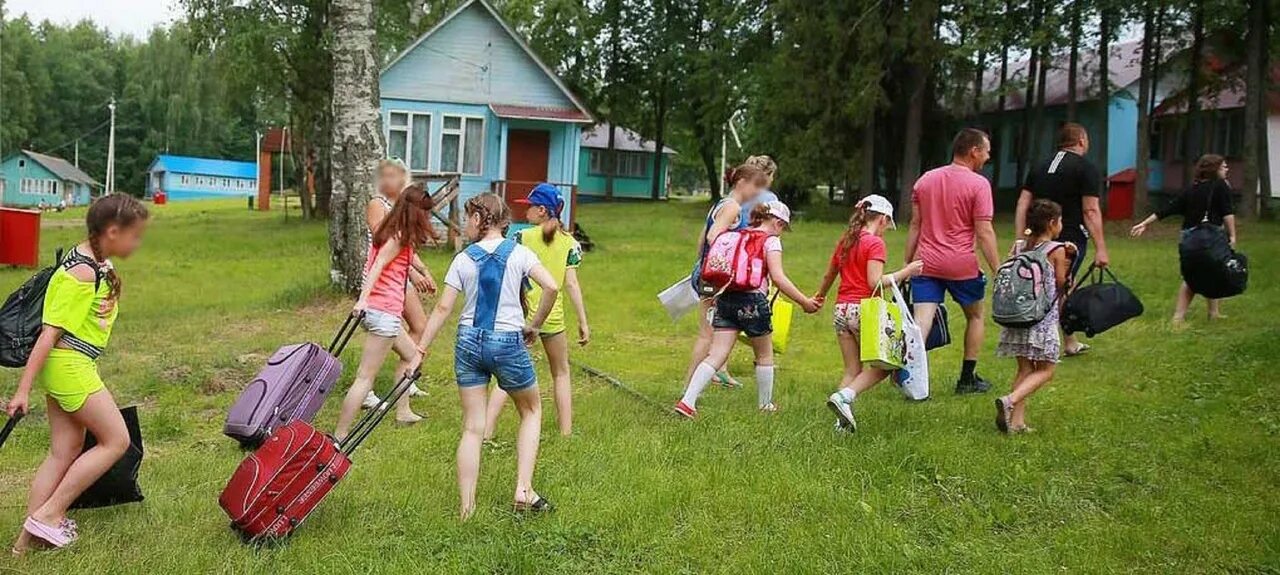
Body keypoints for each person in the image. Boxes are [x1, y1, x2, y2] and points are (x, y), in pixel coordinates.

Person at [6, 194, 149, 553]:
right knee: (116, 441)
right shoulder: (81, 272)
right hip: (70, 366)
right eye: (135, 235)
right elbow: (48, 334)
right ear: (112, 231)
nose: (138, 243)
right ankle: (50, 515)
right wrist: (22, 391)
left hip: (70, 365)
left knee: (64, 451)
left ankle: (23, 547)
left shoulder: (94, 259)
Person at [410, 193, 560, 520]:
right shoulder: (520, 253)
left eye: (467, 218)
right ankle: (523, 490)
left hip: (468, 342)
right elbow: (551, 287)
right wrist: (534, 325)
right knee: (532, 410)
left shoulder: (464, 259)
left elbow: (444, 307)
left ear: (480, 219)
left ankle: (467, 510)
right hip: (507, 341)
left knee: (472, 428)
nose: (465, 224)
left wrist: (420, 350)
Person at [674, 201, 819, 418]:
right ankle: (765, 405)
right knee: (764, 354)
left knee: (716, 354)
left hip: (726, 298)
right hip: (752, 302)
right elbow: (778, 278)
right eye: (783, 227)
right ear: (777, 223)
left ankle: (688, 401)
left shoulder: (737, 234)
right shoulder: (771, 241)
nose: (782, 232)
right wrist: (805, 302)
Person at [484, 183, 589, 438]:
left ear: (542, 210)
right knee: (561, 373)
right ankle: (566, 433)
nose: (526, 211)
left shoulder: (521, 238)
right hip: (553, 319)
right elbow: (571, 284)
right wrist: (583, 321)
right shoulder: (571, 244)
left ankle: (485, 431)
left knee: (506, 376)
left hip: (522, 317)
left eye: (530, 207)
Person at [334, 184, 438, 438]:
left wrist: (423, 271)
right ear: (415, 211)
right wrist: (362, 299)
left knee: (411, 355)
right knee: (364, 378)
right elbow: (378, 265)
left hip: (379, 313)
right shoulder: (398, 235)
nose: (428, 218)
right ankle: (340, 435)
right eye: (425, 212)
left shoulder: (395, 231)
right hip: (384, 314)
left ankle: (403, 411)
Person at [904, 128, 1002, 394]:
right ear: (974, 151)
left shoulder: (925, 180)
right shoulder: (979, 185)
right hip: (961, 265)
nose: (988, 156)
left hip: (926, 263)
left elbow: (915, 224)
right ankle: (967, 379)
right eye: (987, 151)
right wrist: (998, 270)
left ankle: (913, 380)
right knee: (976, 316)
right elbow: (984, 232)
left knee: (921, 322)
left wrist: (907, 264)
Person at [816, 195, 924, 431]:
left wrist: (820, 296)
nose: (886, 230)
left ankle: (840, 423)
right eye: (888, 224)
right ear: (883, 219)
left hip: (841, 310)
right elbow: (874, 282)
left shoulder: (846, 240)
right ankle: (845, 397)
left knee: (852, 369)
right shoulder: (874, 243)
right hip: (864, 310)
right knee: (887, 366)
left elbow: (829, 274)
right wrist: (906, 271)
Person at [1015, 122, 1110, 356]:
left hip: (1037, 234)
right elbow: (1090, 210)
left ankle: (1065, 338)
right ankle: (1057, 341)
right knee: (1060, 285)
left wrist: (1022, 236)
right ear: (1081, 141)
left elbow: (1023, 203)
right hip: (1069, 236)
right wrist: (1101, 248)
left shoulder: (1039, 166)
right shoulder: (1086, 168)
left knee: (1047, 284)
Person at [684, 163, 770, 390]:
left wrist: (700, 266)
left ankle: (699, 384)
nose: (756, 193)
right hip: (715, 280)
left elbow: (702, 238)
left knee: (713, 334)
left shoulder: (720, 204)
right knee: (707, 335)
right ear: (741, 182)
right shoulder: (733, 208)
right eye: (755, 186)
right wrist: (727, 263)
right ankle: (688, 390)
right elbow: (713, 236)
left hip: (706, 274)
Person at [1130, 154, 1238, 325]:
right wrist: (1232, 235)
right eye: (1223, 166)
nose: (1227, 169)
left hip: (1188, 240)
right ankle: (1205, 314)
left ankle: (1185, 316)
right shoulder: (1220, 186)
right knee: (1213, 272)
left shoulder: (1191, 189)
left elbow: (1168, 209)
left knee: (1194, 275)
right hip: (1210, 238)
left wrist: (1145, 223)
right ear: (1214, 169)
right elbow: (1227, 213)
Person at [361, 159, 434, 409]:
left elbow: (407, 247)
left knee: (419, 324)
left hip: (400, 277)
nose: (389, 181)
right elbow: (386, 242)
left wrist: (421, 270)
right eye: (385, 176)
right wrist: (414, 274)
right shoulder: (377, 204)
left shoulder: (404, 206)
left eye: (395, 176)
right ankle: (366, 387)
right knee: (382, 334)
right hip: (383, 279)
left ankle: (405, 379)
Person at [994, 199, 1072, 433]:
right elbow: (1061, 283)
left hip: (1017, 318)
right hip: (1041, 321)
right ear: (1051, 223)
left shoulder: (1019, 246)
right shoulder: (1055, 250)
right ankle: (1010, 400)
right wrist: (1069, 260)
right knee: (1047, 370)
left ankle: (1016, 423)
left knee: (1025, 369)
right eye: (1059, 221)